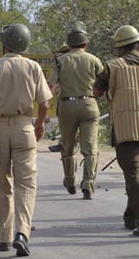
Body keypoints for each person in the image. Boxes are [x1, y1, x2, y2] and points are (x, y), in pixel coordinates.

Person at [0, 24, 52, 256]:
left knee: (2, 182)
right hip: (24, 127)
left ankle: (4, 237)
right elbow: (45, 103)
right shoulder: (33, 67)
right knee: (26, 182)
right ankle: (22, 233)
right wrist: (39, 124)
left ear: (5, 44)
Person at [48, 22, 104, 199]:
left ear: (69, 43)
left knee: (68, 146)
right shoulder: (94, 60)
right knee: (90, 147)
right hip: (89, 104)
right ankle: (88, 184)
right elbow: (104, 82)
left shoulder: (61, 60)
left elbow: (51, 85)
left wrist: (46, 107)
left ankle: (70, 180)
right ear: (85, 43)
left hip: (67, 105)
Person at [94, 24, 139, 236]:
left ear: (119, 48)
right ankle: (131, 217)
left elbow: (96, 91)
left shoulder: (111, 67)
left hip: (126, 129)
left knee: (133, 175)